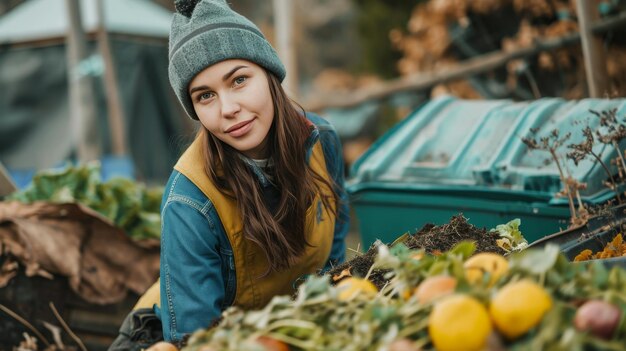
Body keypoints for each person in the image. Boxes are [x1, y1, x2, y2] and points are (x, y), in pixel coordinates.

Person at [109, 0, 349, 348]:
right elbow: (194, 339)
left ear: (269, 75)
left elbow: (335, 256)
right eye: (205, 96)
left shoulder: (321, 141)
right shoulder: (189, 200)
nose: (228, 109)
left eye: (238, 80)